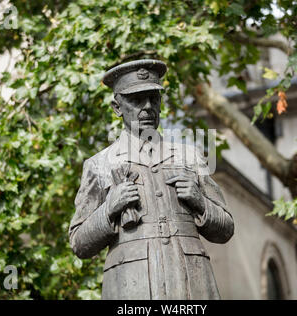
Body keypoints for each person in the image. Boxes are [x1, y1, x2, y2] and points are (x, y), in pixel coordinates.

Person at [69, 59, 234, 299]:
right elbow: (79, 244)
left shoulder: (189, 156)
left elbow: (226, 229)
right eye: (136, 100)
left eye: (153, 98)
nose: (147, 107)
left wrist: (200, 202)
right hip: (131, 289)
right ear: (117, 107)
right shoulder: (99, 164)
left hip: (191, 287)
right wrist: (109, 209)